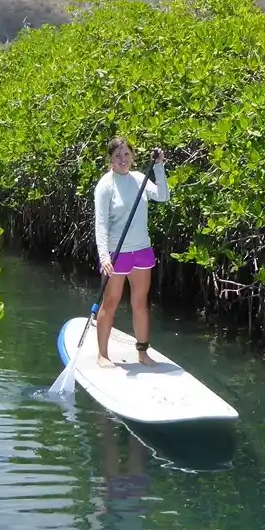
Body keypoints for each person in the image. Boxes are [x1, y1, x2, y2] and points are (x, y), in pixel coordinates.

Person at [93, 137, 169, 367]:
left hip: (142, 251)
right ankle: (103, 355)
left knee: (140, 302)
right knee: (111, 302)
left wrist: (159, 167)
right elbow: (101, 224)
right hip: (117, 254)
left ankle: (142, 352)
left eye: (126, 155)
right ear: (110, 159)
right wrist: (104, 257)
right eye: (118, 155)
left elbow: (163, 197)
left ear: (132, 156)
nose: (123, 159)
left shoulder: (139, 179)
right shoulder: (106, 185)